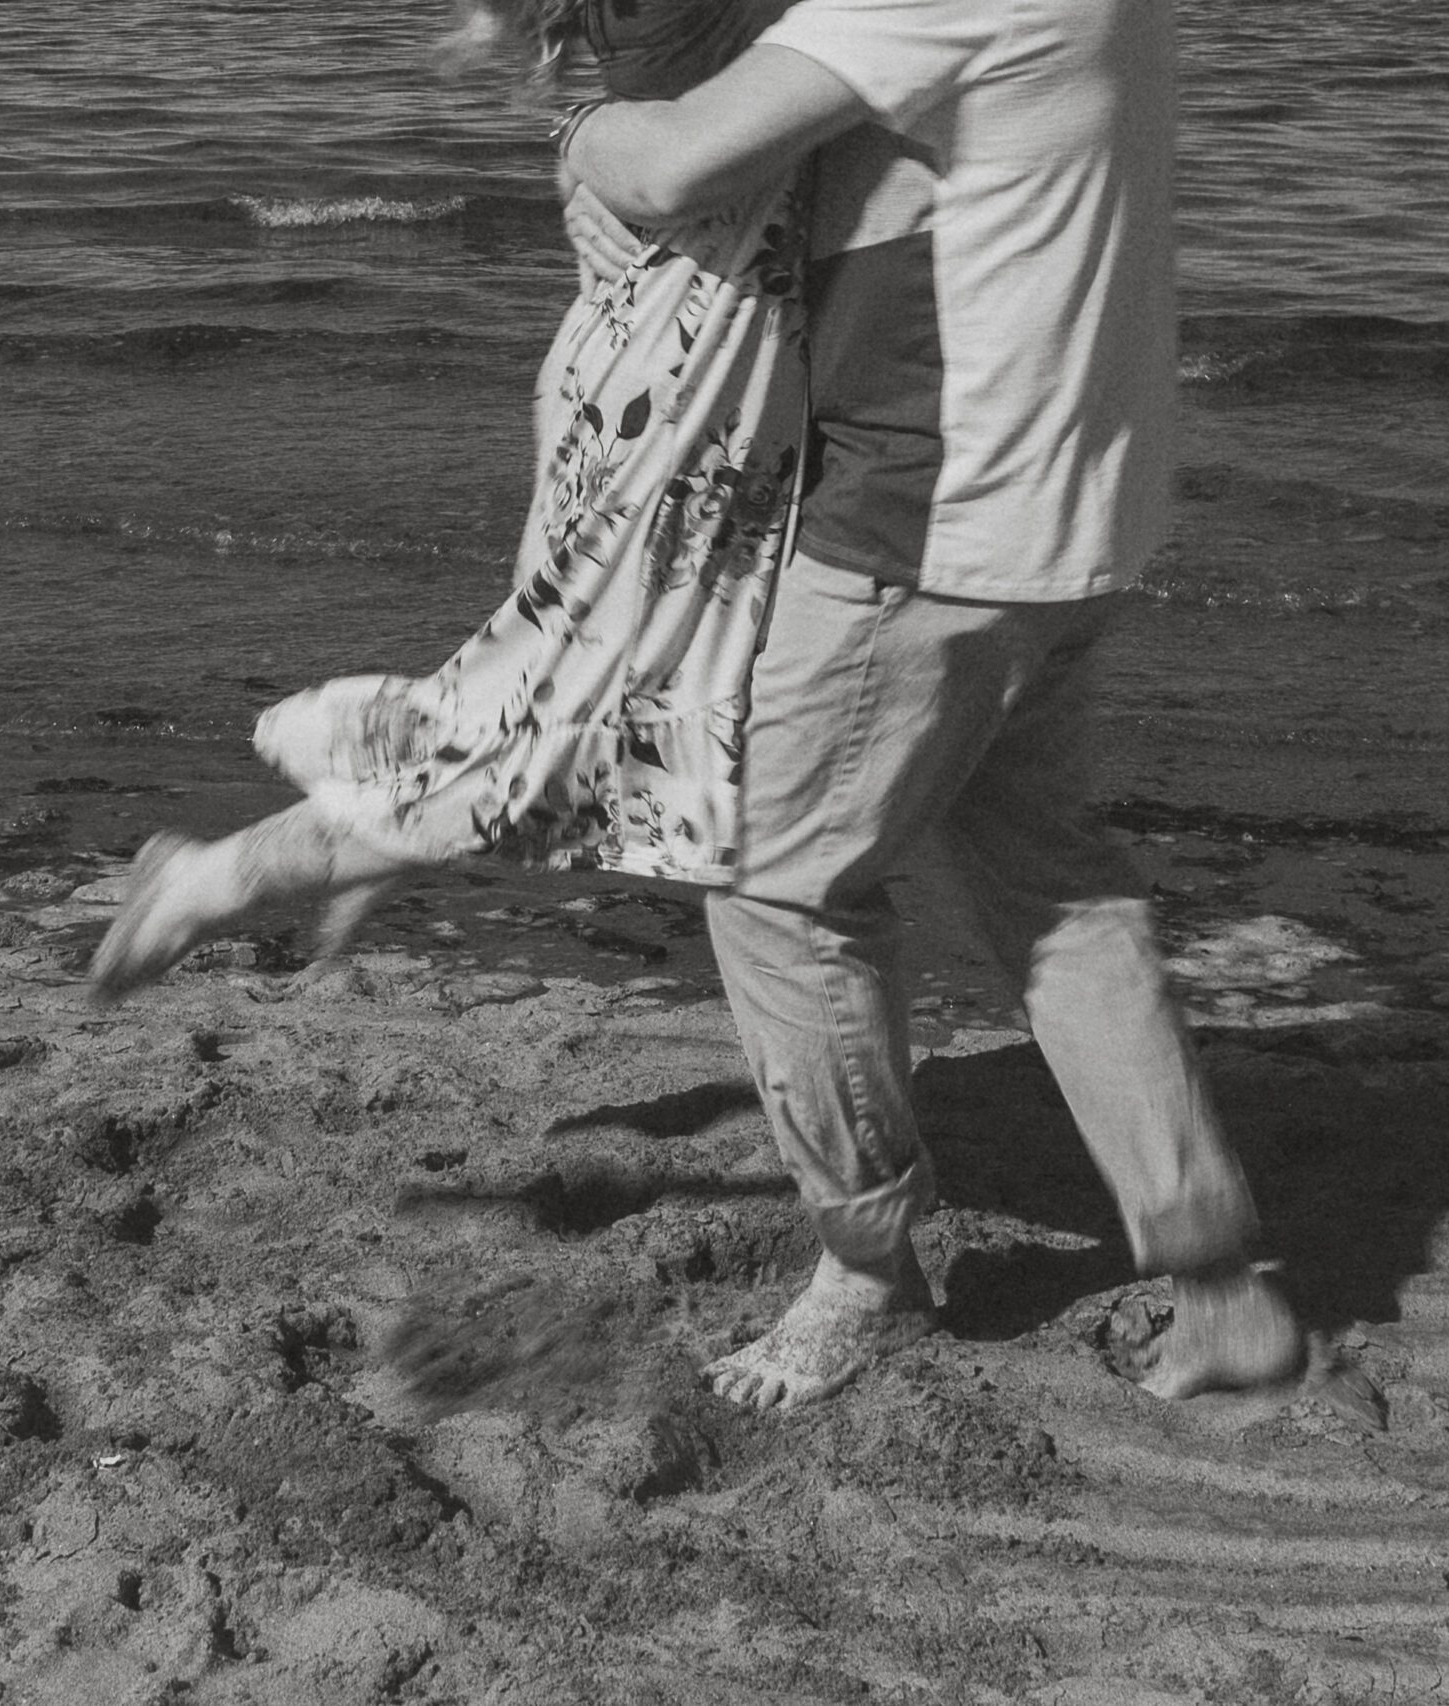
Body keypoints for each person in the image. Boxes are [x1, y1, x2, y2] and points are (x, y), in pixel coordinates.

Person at [558, 0, 1311, 1408]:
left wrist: (588, 140)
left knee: (775, 883)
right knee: (1052, 889)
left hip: (931, 528)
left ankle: (866, 1264)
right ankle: (1224, 1289)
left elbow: (666, 163)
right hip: (1074, 512)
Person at [85, 0, 809, 1004]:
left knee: (575, 742)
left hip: (677, 404)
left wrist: (583, 154)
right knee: (570, 752)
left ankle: (353, 841)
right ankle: (221, 877)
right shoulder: (723, 72)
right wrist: (584, 152)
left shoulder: (735, 68)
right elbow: (665, 172)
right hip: (663, 412)